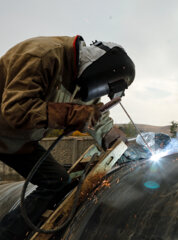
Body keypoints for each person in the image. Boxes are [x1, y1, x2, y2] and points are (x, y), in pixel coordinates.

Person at [0, 35, 135, 239]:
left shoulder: (81, 83)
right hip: (7, 128)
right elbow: (15, 111)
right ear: (102, 69)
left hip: (17, 142)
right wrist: (70, 114)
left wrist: (117, 143)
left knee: (59, 180)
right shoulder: (42, 56)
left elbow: (96, 117)